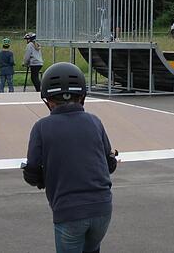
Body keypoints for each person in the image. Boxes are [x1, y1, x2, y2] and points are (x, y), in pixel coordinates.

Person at [23, 62, 117, 252]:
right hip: (102, 209)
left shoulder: (41, 127)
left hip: (69, 211)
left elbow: (32, 173)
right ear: (82, 97)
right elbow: (109, 165)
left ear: (48, 100)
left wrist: (43, 179)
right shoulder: (94, 121)